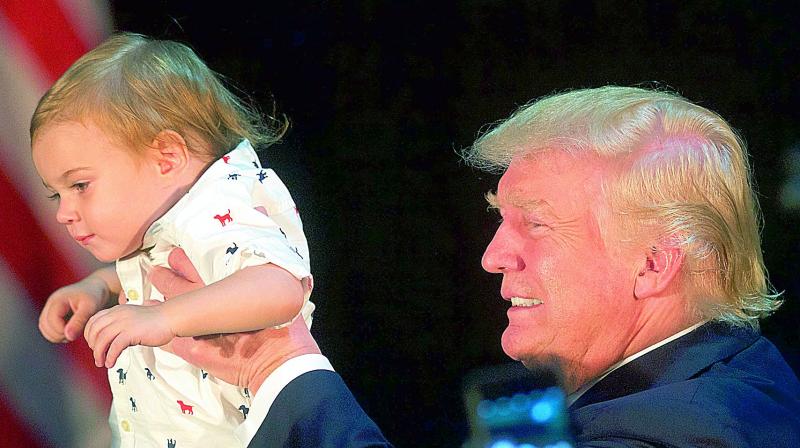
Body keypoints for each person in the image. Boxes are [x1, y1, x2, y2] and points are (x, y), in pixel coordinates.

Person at [465, 86, 800, 446]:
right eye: (500, 216)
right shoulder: (747, 369)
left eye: (536, 223)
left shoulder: (674, 431)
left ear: (653, 263)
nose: (493, 257)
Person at [32, 32, 316, 446]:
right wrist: (101, 286)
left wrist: (163, 319)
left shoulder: (217, 208)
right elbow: (163, 268)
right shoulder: (172, 215)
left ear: (167, 157)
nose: (63, 213)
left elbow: (279, 286)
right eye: (57, 193)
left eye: (80, 185)